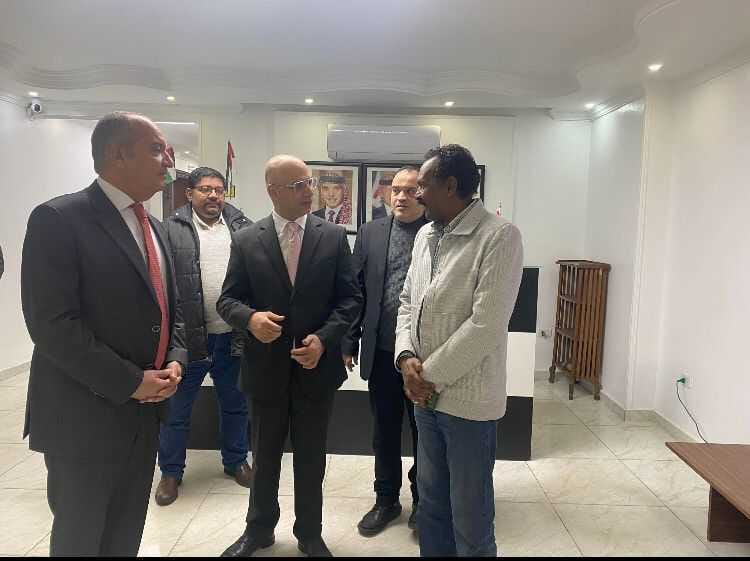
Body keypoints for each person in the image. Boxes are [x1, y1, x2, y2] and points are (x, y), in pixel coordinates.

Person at [21, 111, 188, 556]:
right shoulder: (58, 219)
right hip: (84, 417)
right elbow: (51, 325)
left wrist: (176, 359)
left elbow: (170, 311)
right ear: (118, 154)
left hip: (144, 415)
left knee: (125, 532)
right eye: (156, 149)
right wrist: (131, 381)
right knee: (81, 536)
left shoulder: (154, 227)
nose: (168, 160)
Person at [217, 155, 362, 557]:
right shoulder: (247, 239)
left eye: (309, 183)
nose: (308, 192)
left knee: (312, 458)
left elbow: (350, 300)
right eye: (298, 185)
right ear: (273, 191)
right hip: (265, 370)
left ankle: (310, 533)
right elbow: (228, 300)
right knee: (264, 457)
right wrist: (251, 319)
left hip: (317, 370)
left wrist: (324, 340)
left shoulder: (333, 237)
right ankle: (259, 530)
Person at [395, 144, 523, 557]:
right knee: (431, 505)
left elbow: (486, 326)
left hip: (467, 404)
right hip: (425, 399)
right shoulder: (425, 236)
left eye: (423, 185)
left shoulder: (499, 236)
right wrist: (405, 359)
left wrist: (426, 376)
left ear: (450, 186)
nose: (417, 194)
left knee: (470, 516)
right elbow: (407, 302)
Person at [154, 166, 253, 506]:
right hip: (189, 339)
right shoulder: (170, 229)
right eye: (206, 189)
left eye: (219, 190)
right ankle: (170, 472)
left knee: (236, 404)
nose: (213, 195)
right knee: (176, 408)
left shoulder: (241, 226)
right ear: (189, 193)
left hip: (233, 337)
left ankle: (236, 461)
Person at [342, 166, 427, 537]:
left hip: (424, 356)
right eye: (396, 190)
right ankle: (386, 499)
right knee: (384, 431)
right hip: (380, 350)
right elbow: (356, 290)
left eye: (410, 190)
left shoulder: (436, 232)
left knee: (425, 432)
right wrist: (349, 340)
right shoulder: (371, 233)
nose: (401, 197)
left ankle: (425, 502)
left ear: (423, 194)